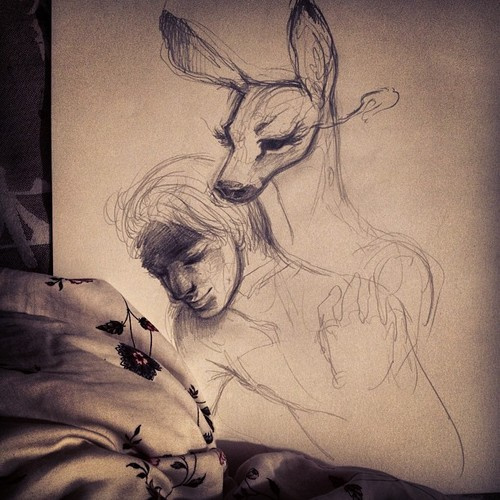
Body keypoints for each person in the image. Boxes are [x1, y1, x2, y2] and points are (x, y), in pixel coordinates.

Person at [112, 154, 464, 481]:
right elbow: (198, 439)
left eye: (193, 258)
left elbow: (424, 448)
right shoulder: (191, 326)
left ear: (236, 227)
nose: (178, 289)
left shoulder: (347, 301)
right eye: (161, 273)